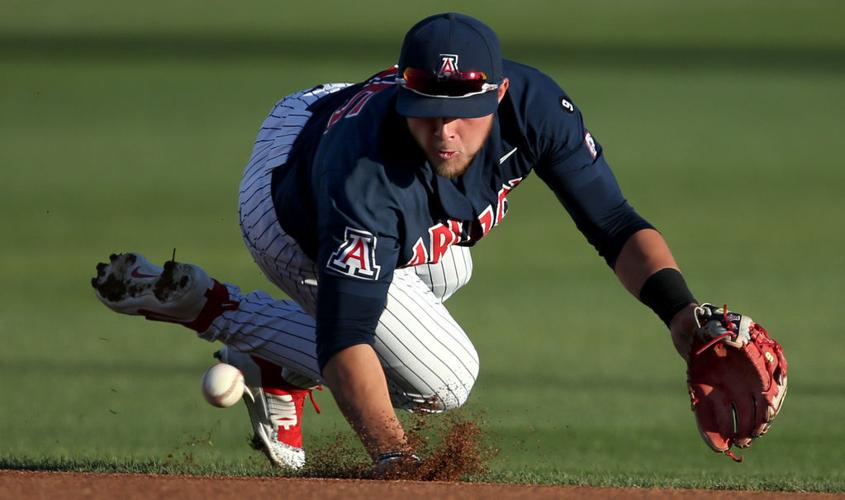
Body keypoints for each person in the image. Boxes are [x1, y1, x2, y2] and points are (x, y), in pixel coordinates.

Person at [92, 12, 705, 471]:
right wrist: (394, 455)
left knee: (452, 268)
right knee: (445, 382)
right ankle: (214, 307)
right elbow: (345, 337)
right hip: (290, 212)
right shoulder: (366, 181)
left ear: (498, 94)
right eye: (426, 109)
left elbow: (616, 225)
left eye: (462, 110)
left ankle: (279, 366)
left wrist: (681, 312)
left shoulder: (539, 107)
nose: (444, 132)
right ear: (405, 94)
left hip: (322, 124)